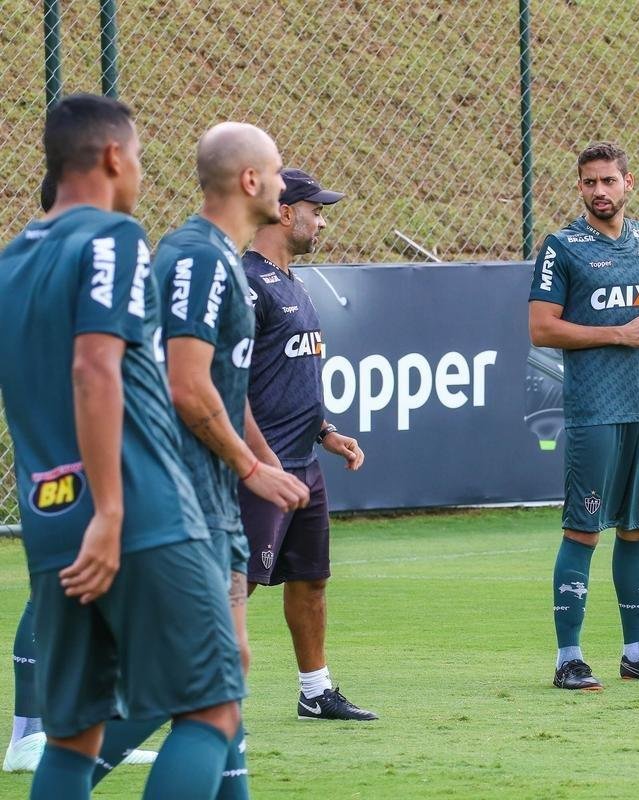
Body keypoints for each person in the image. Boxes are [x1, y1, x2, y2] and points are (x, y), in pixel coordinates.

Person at [0, 93, 244, 799]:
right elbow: (93, 366)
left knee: (73, 736)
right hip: (135, 513)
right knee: (211, 707)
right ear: (113, 157)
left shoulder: (13, 258)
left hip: (51, 521)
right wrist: (111, 509)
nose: (138, 172)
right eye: (137, 158)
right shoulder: (114, 238)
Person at [151, 122, 312, 794]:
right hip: (182, 497)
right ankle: (66, 761)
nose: (283, 185)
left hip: (216, 497)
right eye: (276, 172)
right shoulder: (194, 258)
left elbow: (226, 384)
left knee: (230, 668)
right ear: (251, 182)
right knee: (207, 689)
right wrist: (251, 468)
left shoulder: (225, 261)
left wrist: (262, 460)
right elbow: (186, 385)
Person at [528, 141, 639, 691]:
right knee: (583, 532)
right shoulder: (561, 247)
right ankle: (569, 659)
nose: (599, 191)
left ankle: (638, 651)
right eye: (588, 182)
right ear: (579, 187)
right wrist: (618, 334)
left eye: (608, 181)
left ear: (630, 182)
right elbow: (541, 328)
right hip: (594, 413)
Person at [4, 174, 158, 778]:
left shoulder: (22, 261)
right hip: (85, 460)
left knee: (71, 591)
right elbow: (97, 370)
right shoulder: (96, 254)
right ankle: (33, 736)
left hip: (53, 462)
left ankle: (63, 735)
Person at [240, 167, 375, 721]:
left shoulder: (294, 281)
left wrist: (326, 432)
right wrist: (261, 462)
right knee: (234, 587)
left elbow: (291, 376)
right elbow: (227, 382)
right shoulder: (247, 283)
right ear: (281, 210)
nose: (320, 219)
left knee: (311, 578)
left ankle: (315, 691)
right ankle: (188, 694)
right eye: (313, 209)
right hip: (259, 466)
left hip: (304, 463)